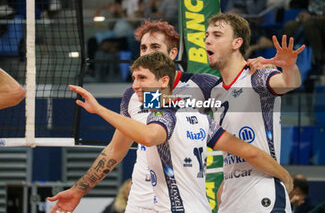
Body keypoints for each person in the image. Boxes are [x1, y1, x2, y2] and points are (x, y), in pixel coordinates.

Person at [62, 51, 292, 213]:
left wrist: (99, 109)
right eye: (133, 78)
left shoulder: (163, 115)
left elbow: (148, 136)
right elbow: (250, 152)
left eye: (142, 78)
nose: (135, 85)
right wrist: (284, 176)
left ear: (164, 80)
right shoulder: (201, 119)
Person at [47, 20, 219, 213]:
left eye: (155, 47)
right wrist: (79, 190)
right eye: (143, 48)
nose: (147, 53)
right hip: (141, 197)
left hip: (184, 198)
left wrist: (255, 68)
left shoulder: (201, 85)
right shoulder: (133, 95)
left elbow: (245, 96)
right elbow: (115, 149)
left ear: (173, 53)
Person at [206, 13, 305, 213]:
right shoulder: (216, 91)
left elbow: (289, 82)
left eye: (217, 35)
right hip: (231, 200)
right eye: (206, 35)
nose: (208, 40)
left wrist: (289, 67)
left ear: (237, 43)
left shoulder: (257, 76)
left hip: (263, 194)